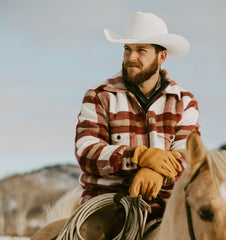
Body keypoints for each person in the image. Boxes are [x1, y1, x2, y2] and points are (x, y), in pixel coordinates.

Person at [75, 12, 200, 220]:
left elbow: (189, 157)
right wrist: (137, 156)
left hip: (167, 210)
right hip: (107, 208)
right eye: (127, 49)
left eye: (141, 50)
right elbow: (87, 151)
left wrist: (156, 173)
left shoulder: (184, 102)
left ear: (161, 57)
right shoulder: (99, 96)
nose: (131, 57)